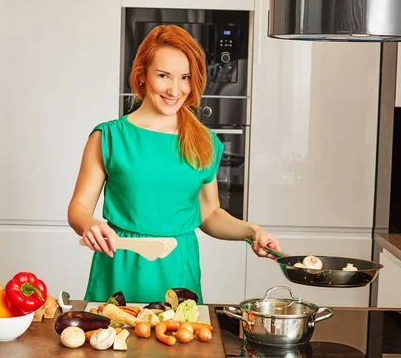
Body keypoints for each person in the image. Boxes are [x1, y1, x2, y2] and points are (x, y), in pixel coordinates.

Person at [67, 25, 281, 303]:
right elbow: (78, 208)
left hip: (178, 270)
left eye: (185, 78)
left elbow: (210, 214)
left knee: (179, 344)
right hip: (119, 264)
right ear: (142, 75)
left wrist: (253, 232)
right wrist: (90, 225)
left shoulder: (205, 142)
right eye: (164, 76)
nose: (175, 89)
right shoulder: (108, 137)